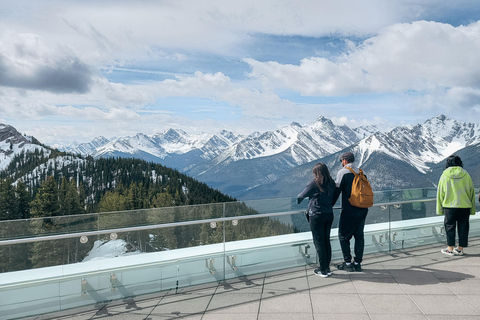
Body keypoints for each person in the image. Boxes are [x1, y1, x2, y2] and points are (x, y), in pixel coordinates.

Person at [297, 163, 336, 277]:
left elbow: (301, 196)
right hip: (329, 214)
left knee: (319, 242)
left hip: (316, 215)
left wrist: (299, 202)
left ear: (316, 173)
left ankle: (322, 269)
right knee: (326, 241)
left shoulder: (315, 183)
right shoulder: (331, 183)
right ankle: (327, 267)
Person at [333, 152, 369, 272]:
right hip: (363, 209)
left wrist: (328, 205)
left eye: (341, 161)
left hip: (349, 209)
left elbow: (336, 191)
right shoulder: (361, 172)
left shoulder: (343, 172)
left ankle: (348, 263)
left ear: (344, 161)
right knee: (359, 236)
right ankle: (358, 263)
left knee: (343, 236)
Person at [436, 155, 476, 256]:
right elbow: (471, 191)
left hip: (450, 206)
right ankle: (460, 249)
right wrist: (472, 209)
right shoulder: (466, 174)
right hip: (465, 206)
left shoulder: (444, 175)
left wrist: (439, 209)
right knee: (463, 227)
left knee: (449, 227)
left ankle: (450, 249)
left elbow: (440, 192)